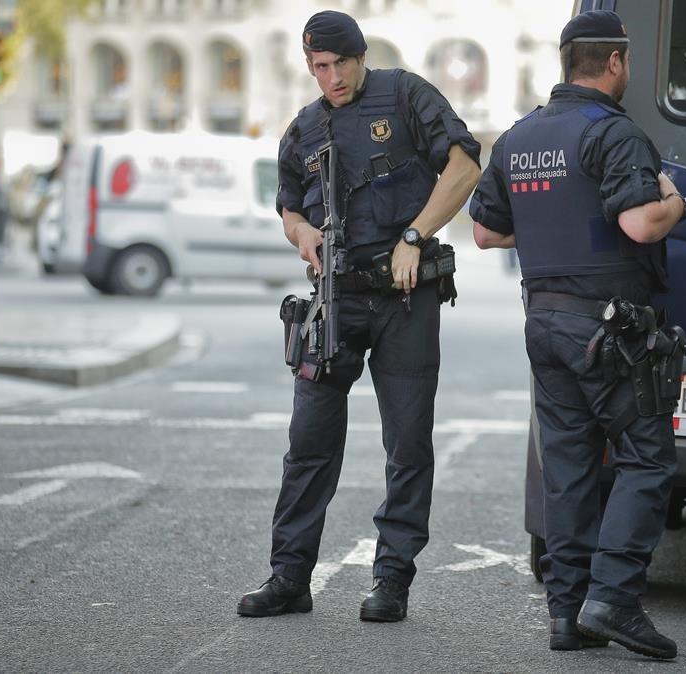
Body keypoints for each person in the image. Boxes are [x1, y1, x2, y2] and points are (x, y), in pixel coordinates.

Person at [237, 10, 481, 622]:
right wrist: (301, 234)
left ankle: (391, 582)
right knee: (308, 442)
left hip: (404, 297)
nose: (332, 76)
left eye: (340, 63)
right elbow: (288, 206)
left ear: (360, 55)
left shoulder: (404, 95)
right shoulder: (306, 126)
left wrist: (416, 235)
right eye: (319, 66)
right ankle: (290, 577)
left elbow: (464, 167)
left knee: (406, 445)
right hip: (334, 301)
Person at [470, 10, 686, 661]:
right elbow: (642, 225)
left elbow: (485, 231)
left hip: (544, 323)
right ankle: (614, 597)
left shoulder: (520, 136)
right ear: (615, 62)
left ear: (567, 63)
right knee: (646, 458)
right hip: (609, 328)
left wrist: (552, 225)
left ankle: (567, 616)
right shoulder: (613, 134)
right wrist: (675, 199)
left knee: (567, 472)